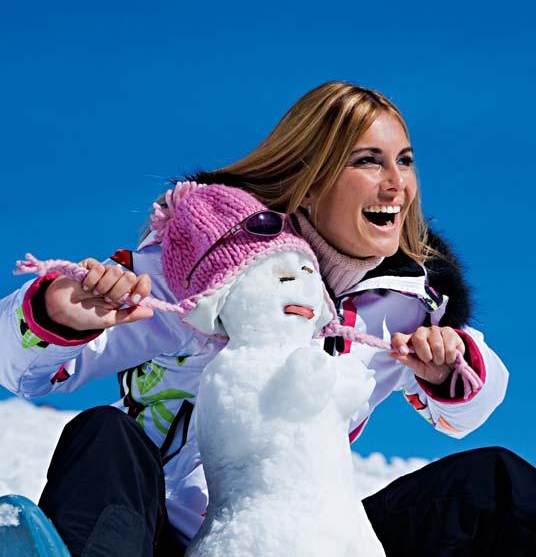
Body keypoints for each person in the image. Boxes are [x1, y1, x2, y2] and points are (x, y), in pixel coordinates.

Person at [0, 81, 534, 556]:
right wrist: (56, 313)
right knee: (106, 433)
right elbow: (16, 367)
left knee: (495, 484)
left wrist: (449, 369)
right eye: (369, 161)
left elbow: (471, 410)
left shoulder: (403, 304)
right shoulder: (205, 267)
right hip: (161, 534)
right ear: (310, 174)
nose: (396, 183)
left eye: (405, 160)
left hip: (305, 538)